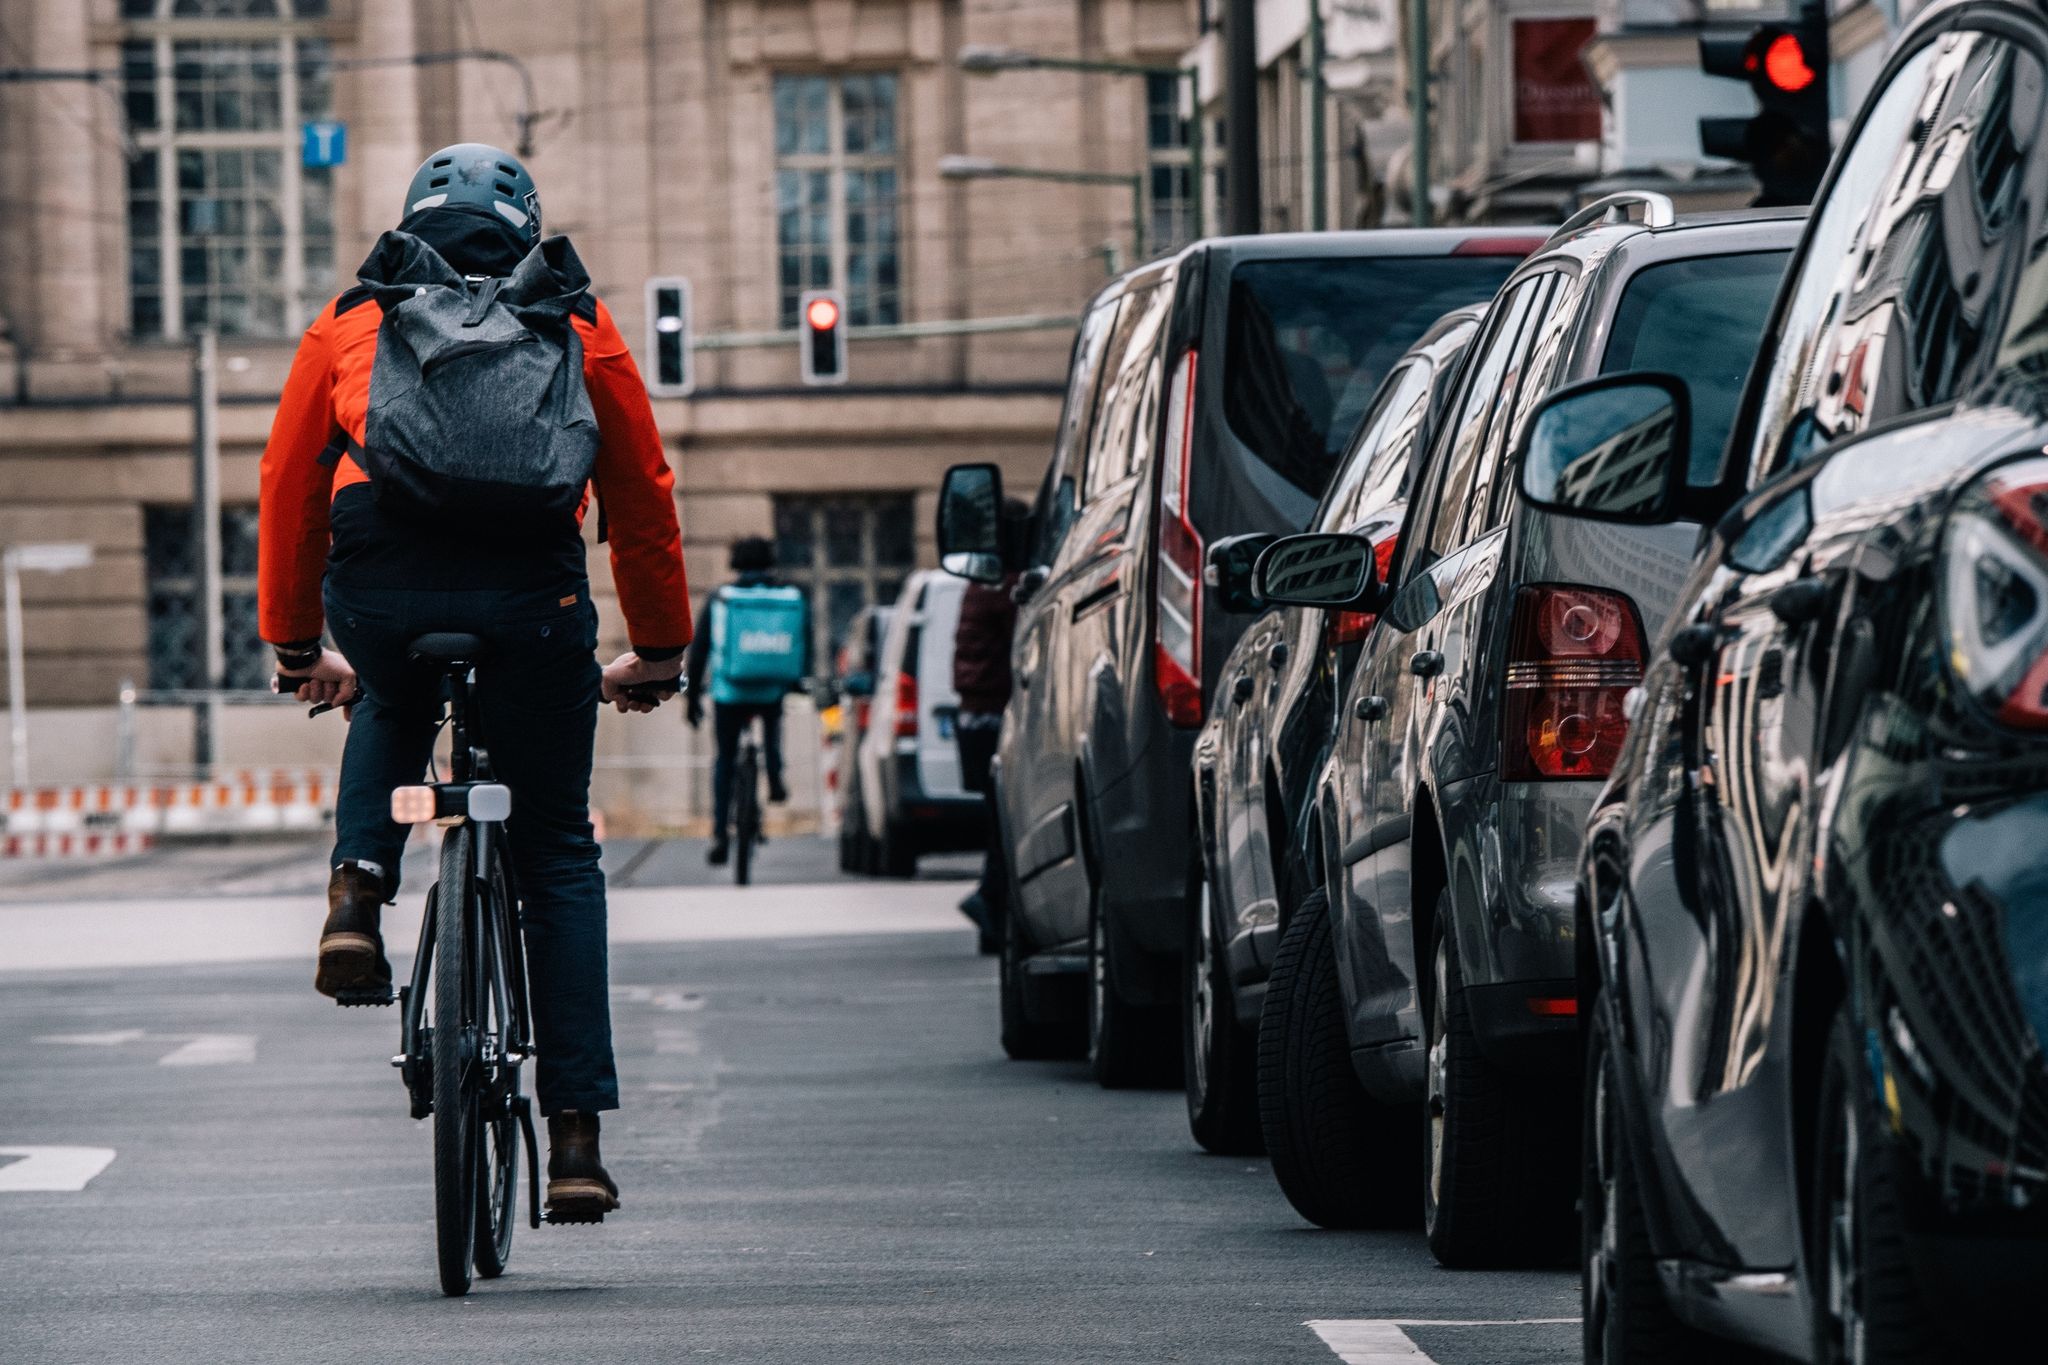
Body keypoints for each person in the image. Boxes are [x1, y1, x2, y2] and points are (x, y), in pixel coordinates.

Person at [258, 143, 691, 1223]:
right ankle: (577, 1141)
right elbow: (640, 495)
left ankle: (358, 891)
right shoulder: (576, 323)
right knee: (554, 855)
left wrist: (299, 642)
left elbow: (287, 485)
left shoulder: (354, 318)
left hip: (383, 590)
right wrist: (660, 647)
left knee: (392, 696)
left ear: (416, 222)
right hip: (532, 611)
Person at [684, 537, 811, 866]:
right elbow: (802, 643)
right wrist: (797, 681)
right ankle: (775, 775)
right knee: (771, 722)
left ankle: (719, 834)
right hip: (771, 688)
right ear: (770, 561)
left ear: (735, 562)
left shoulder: (721, 598)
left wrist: (693, 698)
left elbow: (698, 653)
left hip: (729, 692)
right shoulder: (790, 596)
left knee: (724, 759)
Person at [952, 498, 1030, 954]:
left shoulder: (980, 581)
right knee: (1006, 823)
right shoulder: (1006, 586)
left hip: (973, 714)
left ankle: (991, 909)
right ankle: (989, 902)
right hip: (995, 714)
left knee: (998, 821)